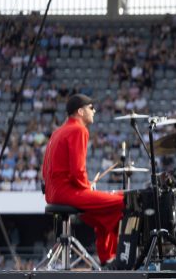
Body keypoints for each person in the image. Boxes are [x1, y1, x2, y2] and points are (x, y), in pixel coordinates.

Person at [41, 94, 123, 266]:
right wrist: (87, 187)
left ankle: (108, 260)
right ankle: (111, 258)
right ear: (80, 111)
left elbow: (46, 170)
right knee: (123, 201)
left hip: (53, 193)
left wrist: (84, 186)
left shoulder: (57, 131)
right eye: (91, 107)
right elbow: (78, 170)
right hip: (67, 193)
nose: (94, 111)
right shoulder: (79, 129)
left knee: (103, 213)